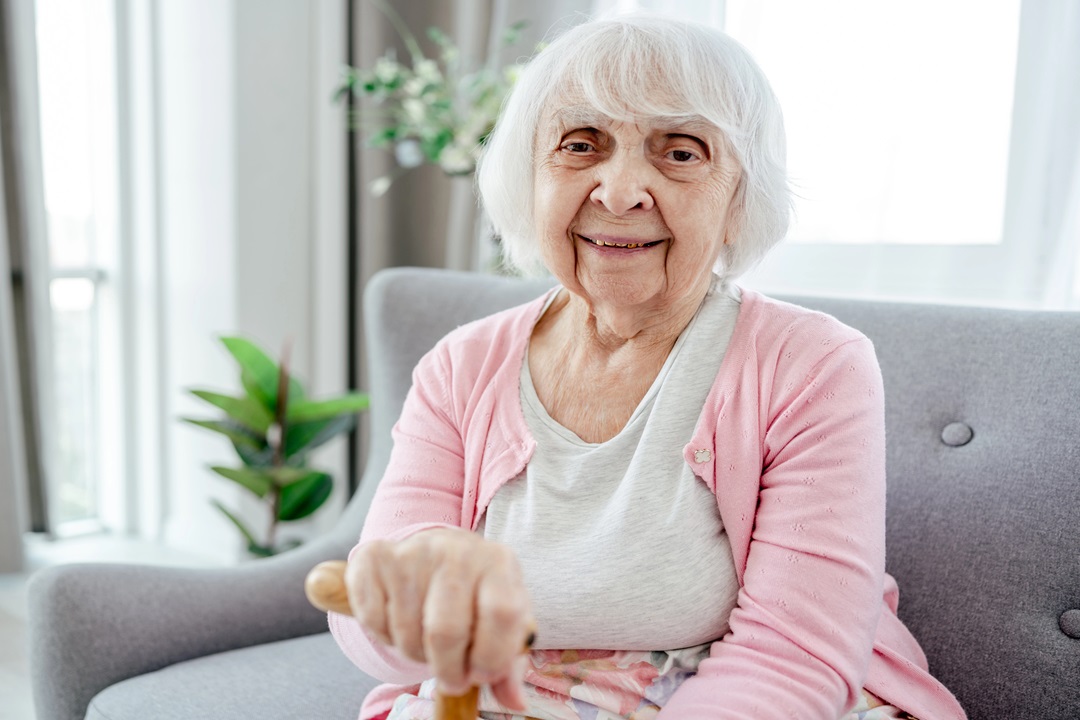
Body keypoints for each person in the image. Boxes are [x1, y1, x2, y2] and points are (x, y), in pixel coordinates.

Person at [329, 14, 967, 720]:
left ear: (738, 199)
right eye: (580, 145)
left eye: (682, 152)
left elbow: (794, 656)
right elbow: (369, 624)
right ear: (529, 176)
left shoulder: (812, 365)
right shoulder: (461, 365)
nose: (621, 190)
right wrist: (409, 598)